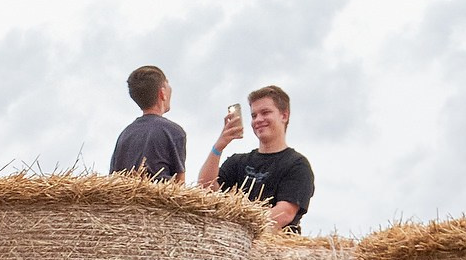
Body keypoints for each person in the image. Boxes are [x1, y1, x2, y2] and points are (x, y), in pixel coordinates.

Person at [199, 85, 315, 231]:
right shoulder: (237, 162)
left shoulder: (297, 165)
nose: (258, 120)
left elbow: (284, 214)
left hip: (273, 248)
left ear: (284, 116)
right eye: (254, 115)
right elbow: (204, 192)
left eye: (265, 113)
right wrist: (219, 146)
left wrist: (240, 228)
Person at [110, 64, 187, 182]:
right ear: (162, 93)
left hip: (126, 199)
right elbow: (180, 186)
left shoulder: (124, 134)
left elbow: (112, 180)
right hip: (162, 199)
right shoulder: (174, 132)